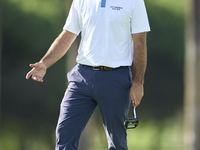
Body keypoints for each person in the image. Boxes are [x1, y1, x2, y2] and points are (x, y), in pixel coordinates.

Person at [26, 0, 150, 149]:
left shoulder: (134, 2)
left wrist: (138, 83)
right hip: (81, 77)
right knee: (64, 136)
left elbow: (139, 43)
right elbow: (67, 35)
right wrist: (44, 63)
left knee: (117, 142)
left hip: (115, 79)